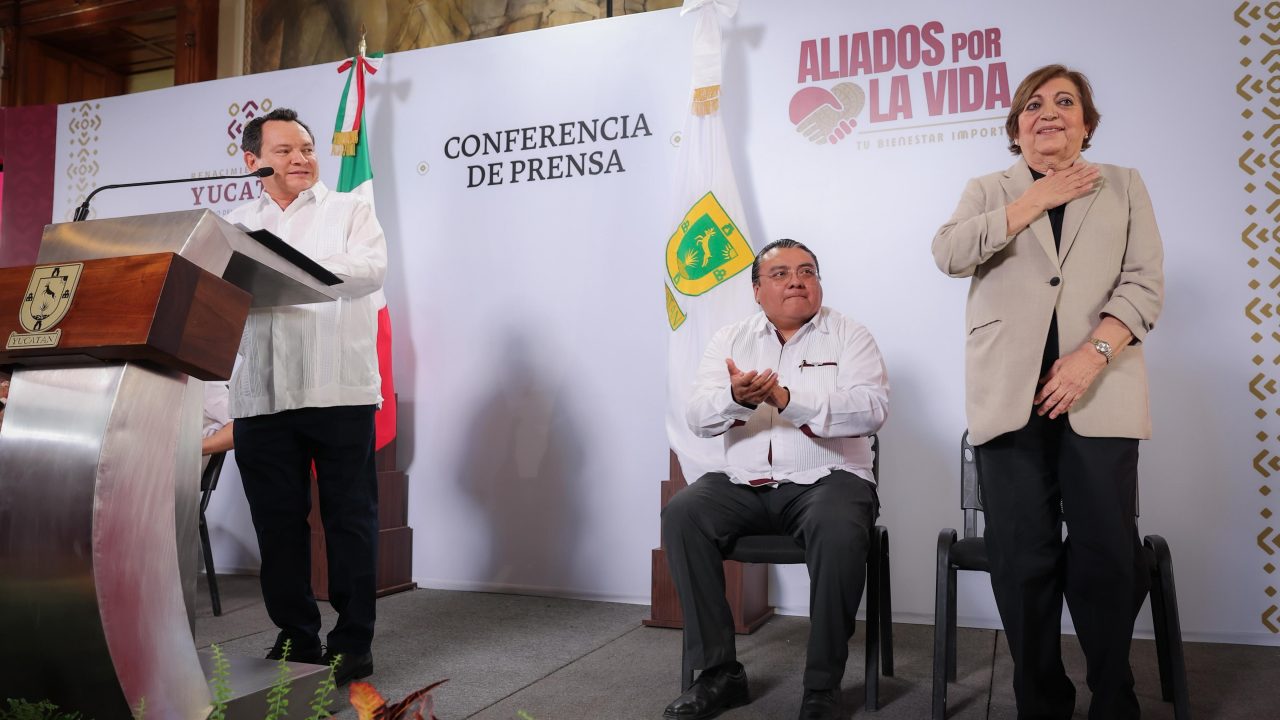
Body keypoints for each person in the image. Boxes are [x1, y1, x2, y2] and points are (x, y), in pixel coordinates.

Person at [932, 64, 1164, 719]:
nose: (1049, 113)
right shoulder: (989, 190)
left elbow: (1144, 283)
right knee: (1021, 559)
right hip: (1009, 398)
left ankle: (1113, 696)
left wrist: (1093, 355)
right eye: (1034, 105)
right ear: (1017, 127)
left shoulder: (1123, 185)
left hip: (1099, 390)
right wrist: (1033, 201)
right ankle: (1040, 701)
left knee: (1107, 557)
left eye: (1066, 102)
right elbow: (949, 254)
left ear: (1087, 124)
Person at [662, 239, 889, 720]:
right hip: (744, 482)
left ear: (819, 283)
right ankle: (720, 673)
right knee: (683, 513)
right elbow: (698, 417)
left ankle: (822, 686)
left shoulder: (850, 335)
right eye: (781, 273)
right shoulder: (729, 340)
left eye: (807, 271)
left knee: (837, 527)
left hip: (828, 479)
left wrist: (788, 399)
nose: (796, 281)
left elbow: (871, 410)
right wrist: (736, 398)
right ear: (757, 290)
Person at [226, 107, 387, 686]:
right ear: (254, 161)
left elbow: (369, 270)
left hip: (337, 389)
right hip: (262, 395)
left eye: (308, 149)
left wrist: (281, 265)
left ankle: (353, 642)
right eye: (285, 151)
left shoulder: (350, 209)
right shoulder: (234, 224)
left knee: (350, 521)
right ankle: (296, 635)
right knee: (277, 526)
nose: (301, 159)